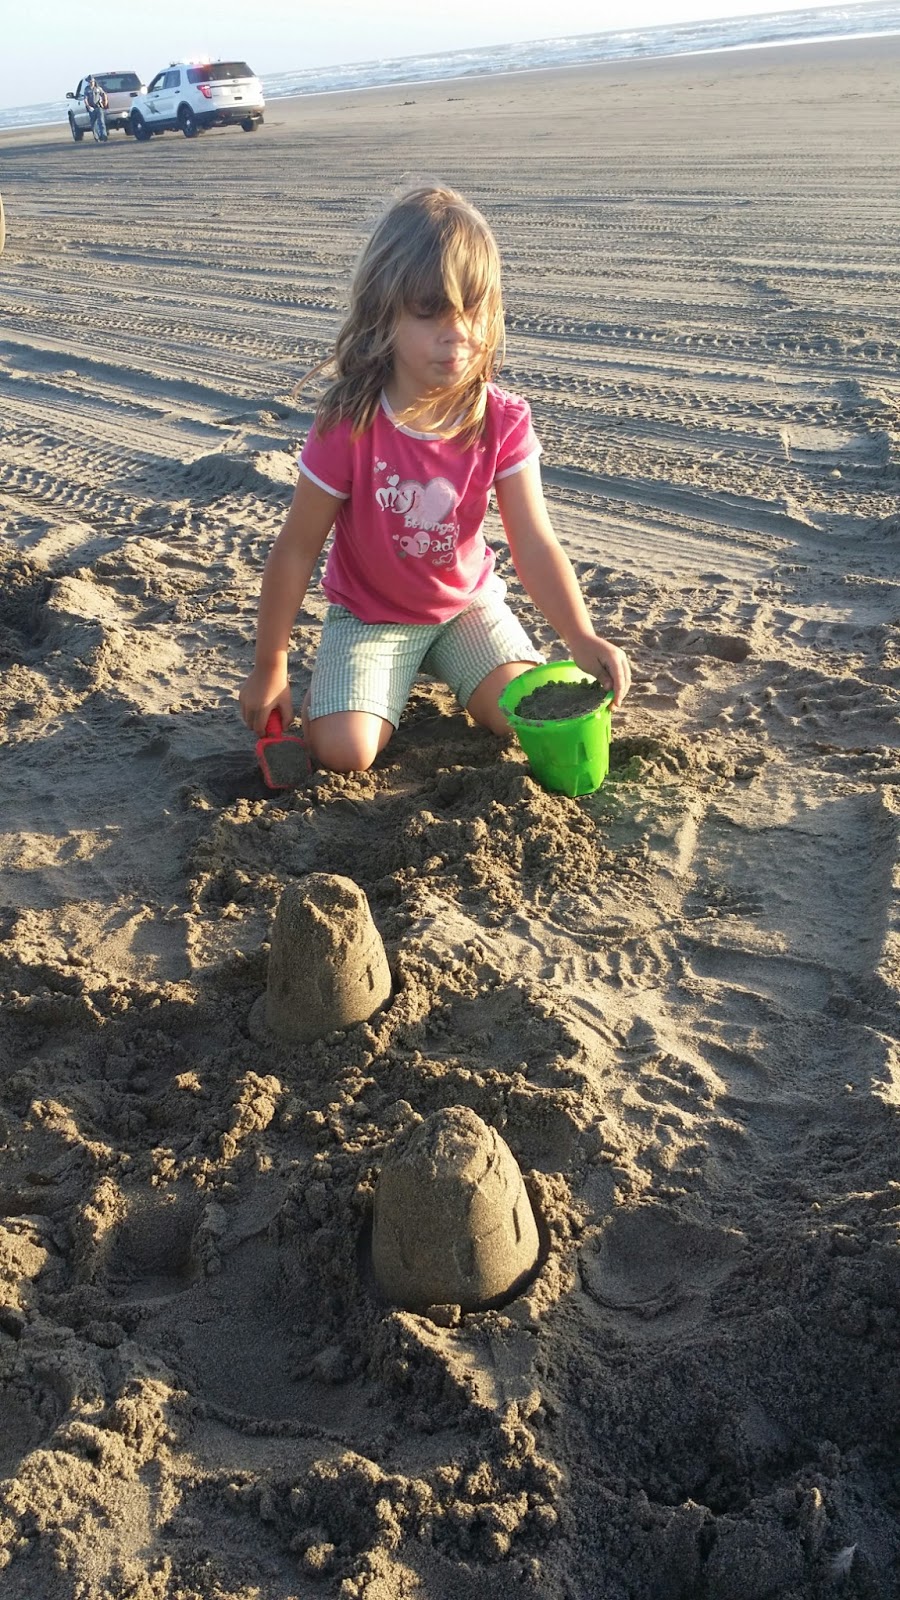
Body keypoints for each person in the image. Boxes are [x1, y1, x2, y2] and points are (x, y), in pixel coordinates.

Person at [239, 182, 631, 773]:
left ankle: (444, 671)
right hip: (370, 618)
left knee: (522, 714)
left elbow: (534, 542)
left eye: (472, 310)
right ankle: (342, 698)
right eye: (430, 313)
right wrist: (270, 665)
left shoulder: (501, 419)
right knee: (347, 754)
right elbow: (296, 549)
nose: (457, 334)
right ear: (384, 311)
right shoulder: (350, 423)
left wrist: (580, 636)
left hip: (466, 610)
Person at [83, 77, 109, 141]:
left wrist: (105, 102)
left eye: (92, 82)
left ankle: (104, 136)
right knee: (93, 123)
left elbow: (103, 94)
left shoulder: (98, 88)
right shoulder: (87, 89)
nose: (91, 83)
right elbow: (85, 99)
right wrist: (88, 106)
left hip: (98, 106)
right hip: (92, 108)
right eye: (90, 82)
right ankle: (96, 137)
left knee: (101, 122)